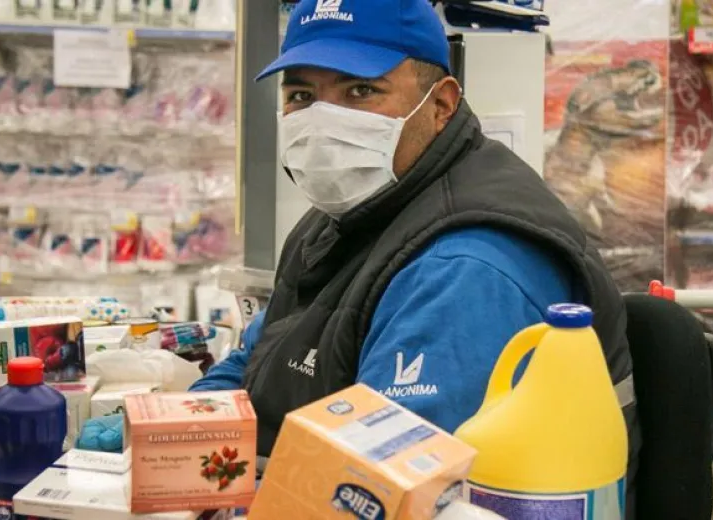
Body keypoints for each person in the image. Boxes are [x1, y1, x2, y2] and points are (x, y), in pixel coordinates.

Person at [79, 0, 640, 510]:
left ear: (441, 104)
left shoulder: (465, 268)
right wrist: (183, 436)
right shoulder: (348, 214)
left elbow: (374, 486)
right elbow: (254, 362)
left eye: (359, 91)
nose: (322, 120)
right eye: (300, 96)